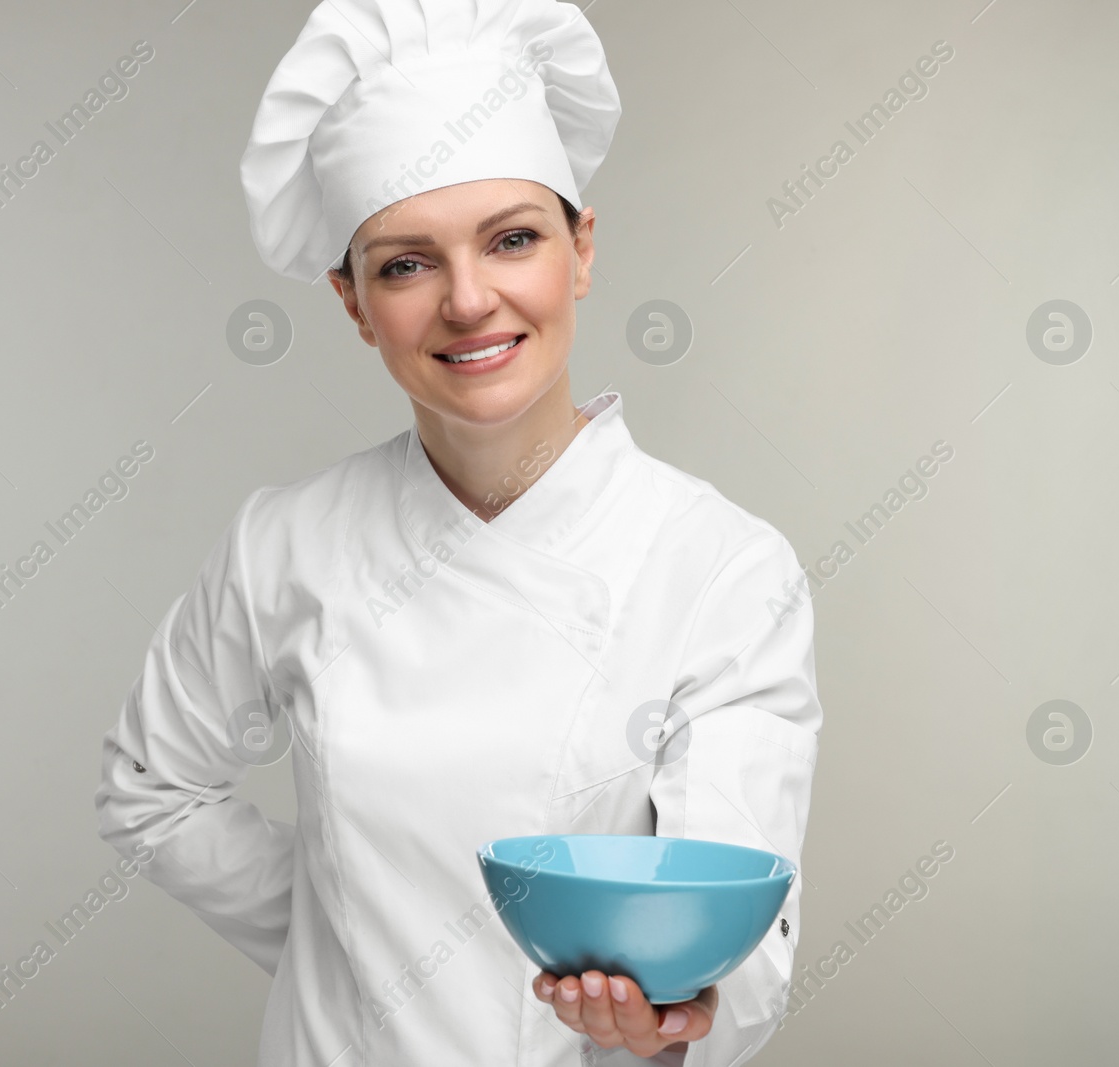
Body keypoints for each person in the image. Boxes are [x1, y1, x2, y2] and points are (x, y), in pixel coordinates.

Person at [94, 1, 822, 1063]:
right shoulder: (285, 543)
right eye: (405, 264)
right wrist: (337, 936)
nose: (469, 300)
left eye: (512, 239)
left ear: (580, 248)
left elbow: (727, 918)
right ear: (352, 301)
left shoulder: (719, 567)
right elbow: (148, 789)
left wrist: (675, 1015)